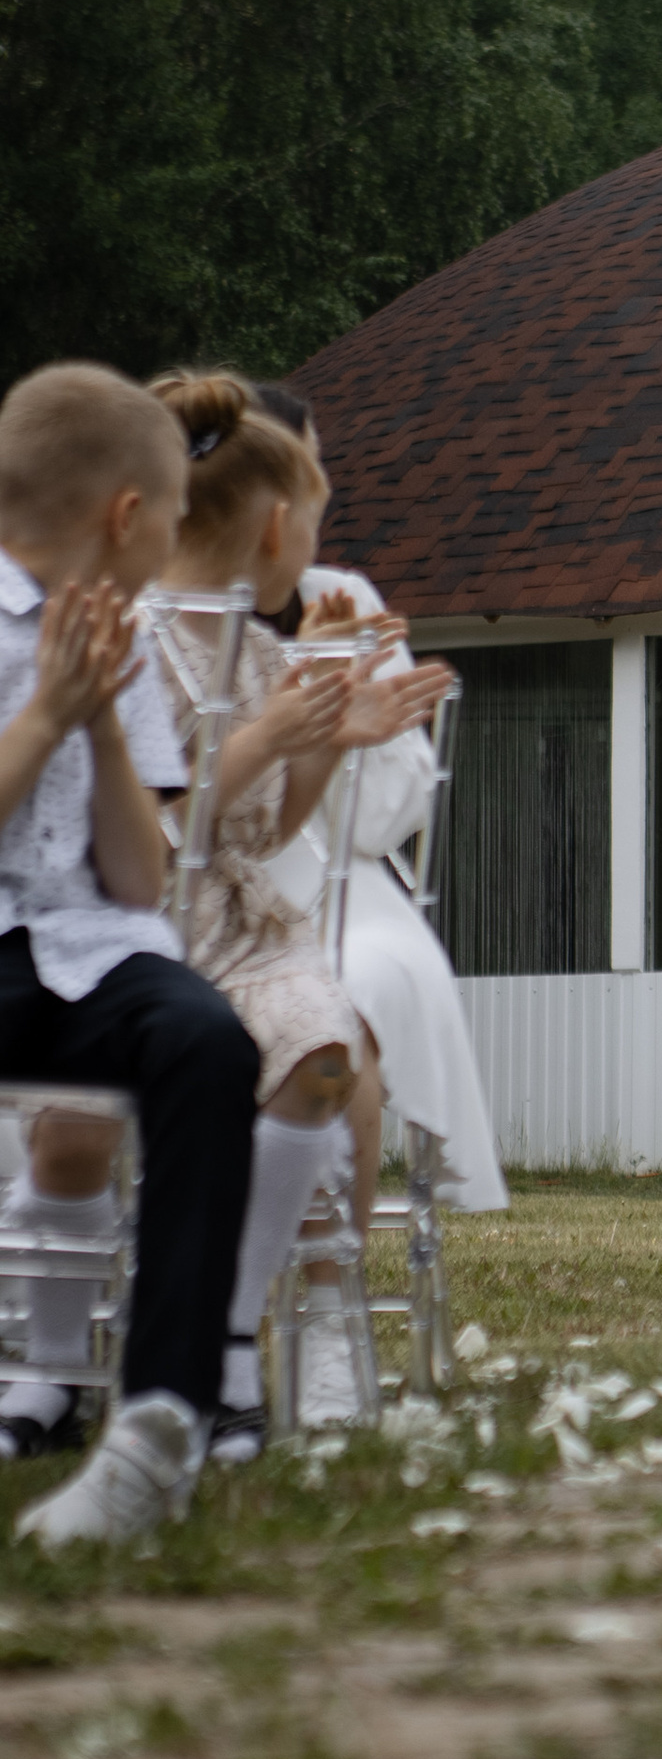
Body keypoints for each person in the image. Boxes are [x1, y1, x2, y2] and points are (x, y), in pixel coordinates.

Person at [146, 378, 451, 1455]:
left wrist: (329, 722)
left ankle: (243, 1327)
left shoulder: (281, 639)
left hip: (249, 918)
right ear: (277, 524)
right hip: (153, 925)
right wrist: (284, 725)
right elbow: (159, 819)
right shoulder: (140, 638)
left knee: (325, 1042)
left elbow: (274, 830)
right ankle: (171, 1345)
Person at [0, 364, 259, 1549]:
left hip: (94, 951)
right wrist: (44, 713)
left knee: (207, 1040)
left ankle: (160, 1418)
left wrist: (102, 718)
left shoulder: (131, 647)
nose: (170, 547)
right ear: (125, 516)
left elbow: (142, 882)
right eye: (168, 520)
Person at [250, 389, 506, 1229]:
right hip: (207, 875)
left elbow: (388, 815)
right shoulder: (163, 609)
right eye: (309, 465)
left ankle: (328, 1294)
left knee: (355, 987)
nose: (327, 486)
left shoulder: (346, 597)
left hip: (339, 884)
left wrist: (341, 721)